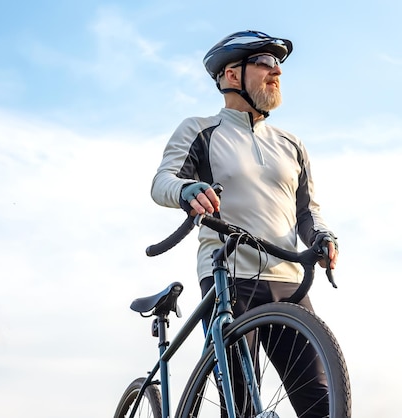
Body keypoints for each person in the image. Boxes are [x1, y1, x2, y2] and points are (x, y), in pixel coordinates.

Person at [151, 30, 339, 417]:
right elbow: (163, 182)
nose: (277, 73)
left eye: (279, 66)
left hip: (288, 280)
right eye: (266, 63)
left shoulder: (291, 144)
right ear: (231, 75)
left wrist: (322, 235)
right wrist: (187, 191)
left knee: (320, 401)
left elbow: (307, 212)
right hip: (229, 274)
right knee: (239, 401)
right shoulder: (200, 130)